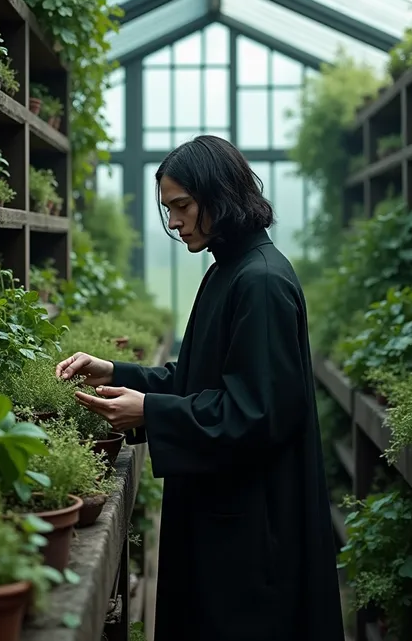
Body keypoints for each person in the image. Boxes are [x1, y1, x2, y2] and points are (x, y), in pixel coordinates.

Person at [56, 135, 344, 641]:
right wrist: (117, 372)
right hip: (229, 517)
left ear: (221, 195)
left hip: (253, 536)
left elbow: (257, 412)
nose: (174, 222)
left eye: (182, 206)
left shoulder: (261, 282)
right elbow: (199, 380)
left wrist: (152, 412)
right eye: (169, 209)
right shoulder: (230, 271)